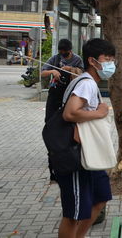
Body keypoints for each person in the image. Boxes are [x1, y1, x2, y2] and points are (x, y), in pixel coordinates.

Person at [57, 38, 115, 238]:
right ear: (92, 61)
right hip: (76, 156)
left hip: (90, 155)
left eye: (112, 59)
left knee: (101, 198)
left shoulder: (89, 83)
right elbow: (70, 113)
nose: (110, 64)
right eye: (106, 59)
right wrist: (100, 113)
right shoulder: (86, 84)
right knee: (73, 213)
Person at [41, 39, 84, 182]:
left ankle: (71, 161)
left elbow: (82, 74)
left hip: (69, 98)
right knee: (51, 127)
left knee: (67, 130)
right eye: (61, 53)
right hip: (54, 96)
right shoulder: (55, 59)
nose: (63, 55)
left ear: (70, 51)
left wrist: (70, 70)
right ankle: (53, 169)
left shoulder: (77, 60)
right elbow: (42, 72)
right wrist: (53, 71)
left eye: (65, 53)